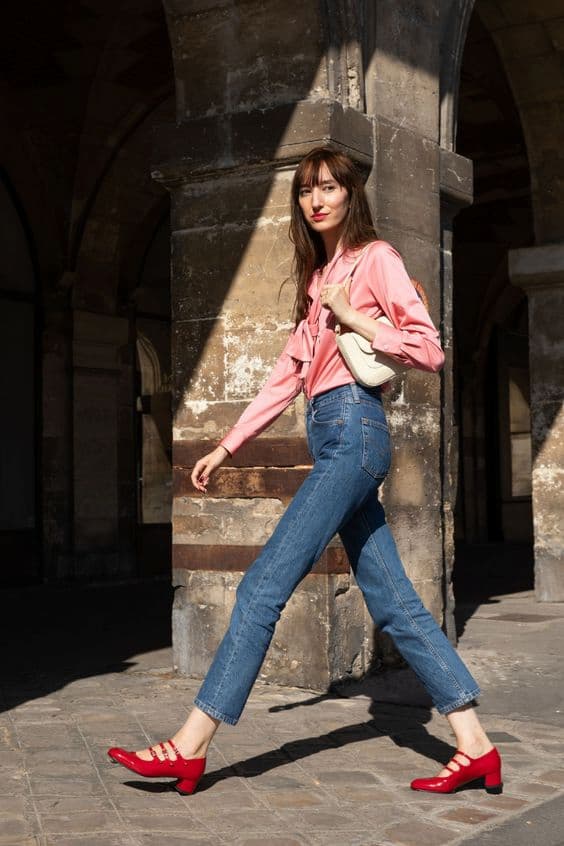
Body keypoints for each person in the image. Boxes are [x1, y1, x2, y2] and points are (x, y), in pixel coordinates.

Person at [108, 147, 502, 797]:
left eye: (328, 187)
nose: (316, 199)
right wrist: (227, 445)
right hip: (331, 436)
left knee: (262, 584)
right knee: (395, 602)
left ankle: (189, 745)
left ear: (351, 194)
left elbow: (429, 347)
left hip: (356, 434)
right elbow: (286, 377)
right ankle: (476, 744)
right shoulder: (320, 281)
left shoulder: (376, 260)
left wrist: (355, 320)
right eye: (305, 190)